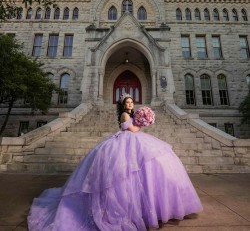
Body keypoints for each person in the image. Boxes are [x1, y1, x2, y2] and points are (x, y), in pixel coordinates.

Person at [28, 93, 203, 231]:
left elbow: (136, 129)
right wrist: (143, 123)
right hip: (125, 143)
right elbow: (133, 129)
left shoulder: (132, 114)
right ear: (123, 105)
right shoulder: (125, 116)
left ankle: (150, 209)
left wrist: (144, 118)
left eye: (132, 102)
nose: (130, 104)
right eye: (127, 103)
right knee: (124, 177)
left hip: (136, 142)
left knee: (148, 171)